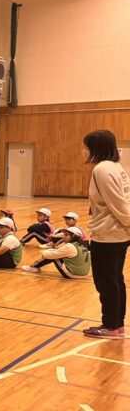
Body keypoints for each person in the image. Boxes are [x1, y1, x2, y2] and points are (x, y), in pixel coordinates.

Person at [82, 130, 130, 339]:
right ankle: (117, 324)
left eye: (86, 147)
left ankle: (110, 326)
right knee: (115, 279)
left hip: (108, 234)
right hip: (118, 233)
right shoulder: (116, 167)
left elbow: (118, 203)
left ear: (96, 148)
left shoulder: (102, 169)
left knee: (106, 282)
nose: (84, 151)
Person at [22, 227, 91, 278]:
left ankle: (33, 266)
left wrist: (48, 251)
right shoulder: (84, 245)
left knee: (55, 256)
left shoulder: (70, 246)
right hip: (85, 274)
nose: (63, 237)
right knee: (58, 254)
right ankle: (35, 266)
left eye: (66, 235)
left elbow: (48, 255)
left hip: (73, 275)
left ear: (74, 236)